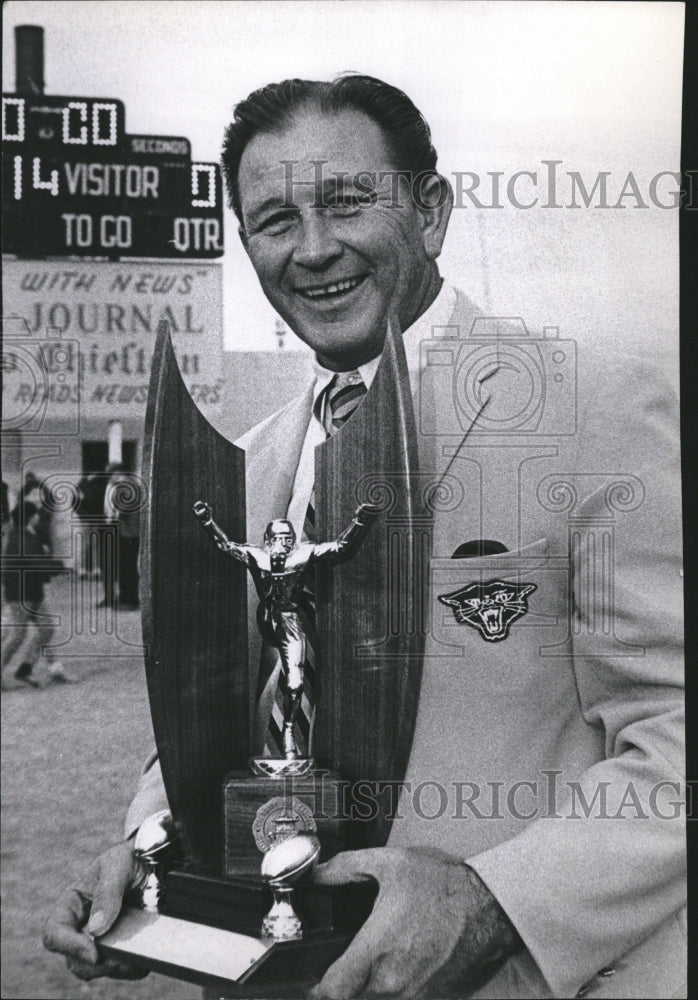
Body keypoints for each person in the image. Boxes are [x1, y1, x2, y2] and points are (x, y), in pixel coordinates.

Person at [44, 75, 684, 998]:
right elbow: (240, 717)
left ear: (429, 212)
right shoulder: (256, 461)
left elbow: (675, 728)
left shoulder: (591, 408)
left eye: (346, 202)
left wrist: (492, 901)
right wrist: (151, 846)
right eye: (273, 220)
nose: (314, 250)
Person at [1, 500, 73, 688]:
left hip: (32, 591)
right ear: (30, 517)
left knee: (46, 628)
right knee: (18, 635)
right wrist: (63, 566)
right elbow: (37, 563)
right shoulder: (22, 538)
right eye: (35, 514)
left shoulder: (26, 535)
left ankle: (24, 670)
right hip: (21, 593)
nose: (38, 517)